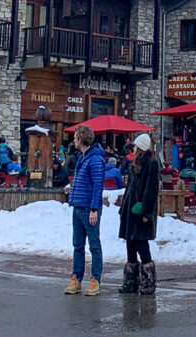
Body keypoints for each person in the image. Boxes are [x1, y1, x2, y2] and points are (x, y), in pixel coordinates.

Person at [116, 133, 161, 295]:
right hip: (130, 209)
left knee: (141, 243)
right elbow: (130, 188)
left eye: (135, 146)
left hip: (141, 209)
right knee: (130, 243)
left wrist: (146, 212)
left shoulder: (151, 164)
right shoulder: (135, 164)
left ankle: (148, 281)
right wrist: (123, 209)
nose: (133, 149)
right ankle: (131, 282)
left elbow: (152, 189)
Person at [65, 124, 106, 296]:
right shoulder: (82, 157)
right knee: (78, 245)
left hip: (88, 208)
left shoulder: (95, 159)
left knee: (94, 245)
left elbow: (98, 185)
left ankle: (95, 280)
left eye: (75, 137)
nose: (73, 140)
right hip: (78, 206)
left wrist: (94, 208)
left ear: (81, 139)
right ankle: (76, 278)